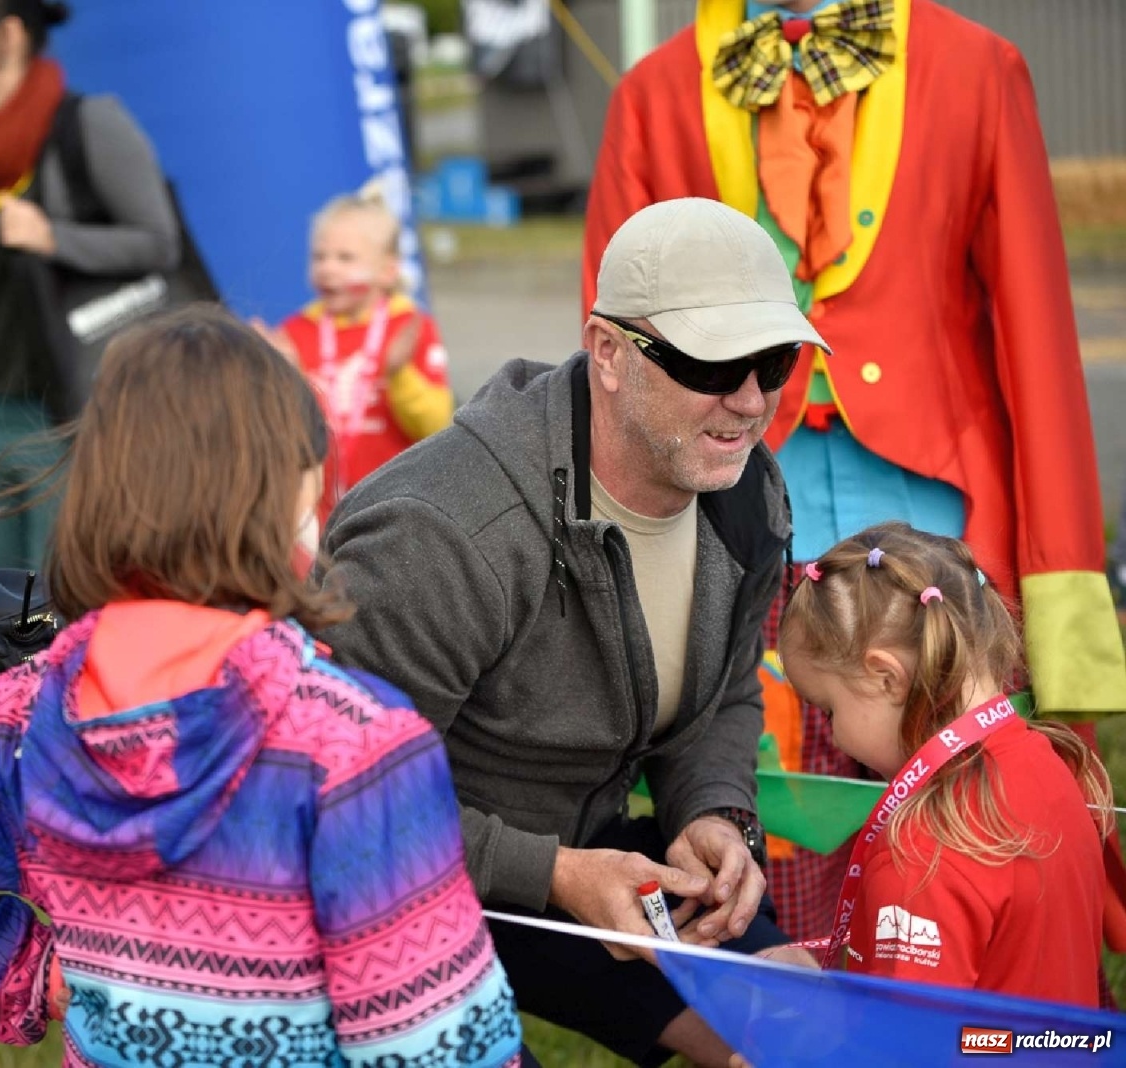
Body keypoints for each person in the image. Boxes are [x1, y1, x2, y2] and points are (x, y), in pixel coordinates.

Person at [0, 306, 526, 1068]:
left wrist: (33, 976)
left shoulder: (21, 718)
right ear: (291, 496)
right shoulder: (356, 747)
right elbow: (440, 1047)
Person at [581, 0, 1126, 941]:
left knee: (972, 803)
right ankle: (804, 1000)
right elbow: (617, 363)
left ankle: (981, 995)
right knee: (764, 800)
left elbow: (1035, 328)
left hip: (938, 514)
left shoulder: (979, 68)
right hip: (733, 516)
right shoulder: (655, 92)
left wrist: (1060, 570)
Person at [318, 196, 825, 1068]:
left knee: (803, 1033)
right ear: (608, 354)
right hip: (404, 886)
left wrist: (711, 809)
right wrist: (554, 876)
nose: (750, 401)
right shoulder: (440, 534)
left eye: (775, 359)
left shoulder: (741, 491)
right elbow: (339, 802)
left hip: (589, 859)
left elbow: (729, 690)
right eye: (715, 363)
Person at [779, 522, 1113, 1005]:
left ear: (886, 677)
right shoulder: (1051, 765)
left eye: (828, 709)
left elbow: (902, 1047)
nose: (831, 733)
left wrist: (803, 1042)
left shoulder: (918, 858)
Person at [0, 0, 182, 572]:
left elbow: (159, 243)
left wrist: (54, 237)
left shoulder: (88, 122)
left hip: (68, 407)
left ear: (9, 34)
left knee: (64, 597)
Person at [253, 187, 453, 523]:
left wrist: (398, 372)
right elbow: (277, 437)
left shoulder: (409, 327)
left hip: (395, 510)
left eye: (345, 258)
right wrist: (282, 375)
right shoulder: (294, 332)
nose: (328, 269)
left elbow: (435, 426)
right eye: (319, 257)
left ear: (387, 271)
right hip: (314, 515)